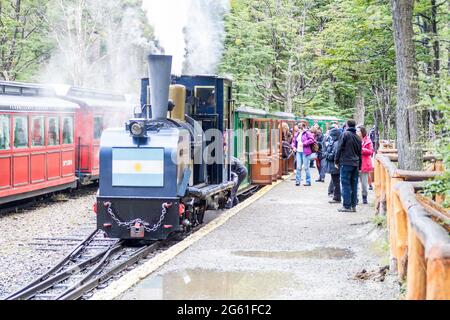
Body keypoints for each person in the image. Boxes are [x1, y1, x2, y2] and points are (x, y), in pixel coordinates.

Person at [335, 120, 362, 213]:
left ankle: (346, 206)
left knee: (345, 184)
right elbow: (360, 153)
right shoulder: (358, 137)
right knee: (354, 185)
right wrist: (360, 166)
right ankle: (353, 205)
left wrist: (336, 160)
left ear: (347, 125)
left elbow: (339, 147)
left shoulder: (345, 134)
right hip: (356, 163)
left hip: (346, 163)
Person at [292, 122, 316, 187]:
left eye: (300, 128)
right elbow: (293, 142)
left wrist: (304, 143)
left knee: (306, 167)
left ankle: (308, 182)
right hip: (298, 152)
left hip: (306, 152)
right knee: (298, 167)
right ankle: (297, 181)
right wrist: (294, 147)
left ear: (303, 127)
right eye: (298, 128)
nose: (299, 129)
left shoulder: (307, 133)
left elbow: (312, 140)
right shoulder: (297, 134)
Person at [324, 128, 342, 204]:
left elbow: (333, 155)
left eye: (331, 135)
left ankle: (337, 197)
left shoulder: (336, 143)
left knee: (336, 182)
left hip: (334, 166)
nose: (330, 137)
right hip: (334, 165)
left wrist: (326, 154)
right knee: (335, 181)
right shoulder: (336, 142)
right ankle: (336, 196)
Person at [357, 126, 374, 204]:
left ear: (362, 132)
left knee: (364, 184)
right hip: (355, 163)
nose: (357, 132)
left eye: (359, 131)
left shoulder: (368, 140)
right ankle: (355, 197)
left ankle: (364, 197)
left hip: (364, 164)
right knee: (355, 183)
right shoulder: (355, 139)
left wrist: (361, 149)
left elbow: (371, 152)